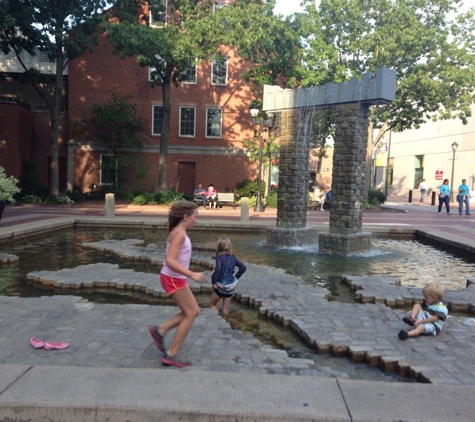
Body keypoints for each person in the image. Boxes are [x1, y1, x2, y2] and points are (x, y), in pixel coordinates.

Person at [148, 200, 205, 367]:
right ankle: (171, 354)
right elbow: (170, 260)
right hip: (173, 278)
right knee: (191, 312)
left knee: (193, 311)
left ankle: (161, 330)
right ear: (186, 217)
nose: (197, 220)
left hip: (174, 278)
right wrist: (191, 273)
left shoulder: (178, 232)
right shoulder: (179, 235)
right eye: (195, 217)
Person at [209, 235, 246, 315]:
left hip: (221, 286)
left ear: (218, 247)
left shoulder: (219, 257)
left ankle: (219, 321)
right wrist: (236, 277)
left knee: (212, 305)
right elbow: (243, 267)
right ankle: (227, 321)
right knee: (225, 311)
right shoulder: (233, 258)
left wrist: (214, 282)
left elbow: (218, 270)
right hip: (231, 287)